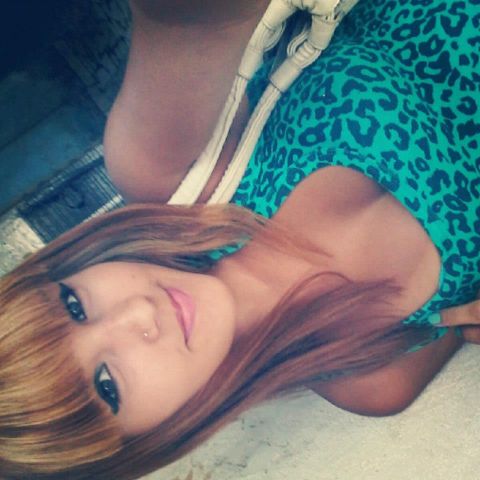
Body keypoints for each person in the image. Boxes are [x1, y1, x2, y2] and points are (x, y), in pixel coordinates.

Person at [1, 0, 479, 479]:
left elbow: (190, 17)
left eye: (74, 305)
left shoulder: (173, 177)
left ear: (68, 268)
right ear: (154, 438)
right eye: (106, 385)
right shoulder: (374, 378)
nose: (137, 314)